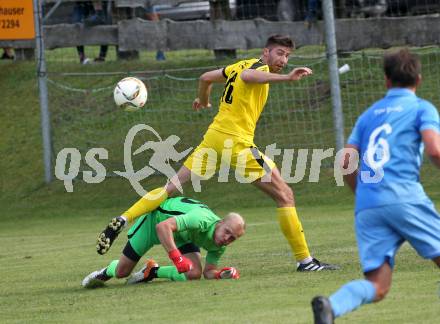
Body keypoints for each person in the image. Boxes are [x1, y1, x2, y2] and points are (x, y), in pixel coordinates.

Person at [97, 34, 338, 272]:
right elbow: (249, 75)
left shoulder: (237, 65)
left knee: (171, 186)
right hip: (236, 143)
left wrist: (203, 99)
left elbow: (205, 77)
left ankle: (124, 218)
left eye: (287, 56)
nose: (283, 60)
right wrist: (286, 78)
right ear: (265, 52)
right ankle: (305, 261)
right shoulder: (255, 68)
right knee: (285, 195)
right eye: (279, 53)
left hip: (214, 138)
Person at [311, 48, 440, 323]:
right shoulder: (421, 108)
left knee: (378, 285)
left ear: (386, 80)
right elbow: (435, 150)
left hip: (368, 204)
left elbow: (345, 162)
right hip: (405, 197)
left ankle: (331, 306)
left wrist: (365, 195)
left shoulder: (368, 115)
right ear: (418, 79)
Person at [83, 196, 244, 288]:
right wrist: (177, 258)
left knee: (194, 273)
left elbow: (208, 272)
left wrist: (221, 274)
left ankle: (152, 271)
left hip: (182, 234)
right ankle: (106, 271)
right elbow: (163, 227)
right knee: (121, 273)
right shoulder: (201, 220)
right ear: (220, 222)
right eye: (227, 232)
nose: (226, 239)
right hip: (155, 221)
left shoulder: (220, 245)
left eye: (232, 239)